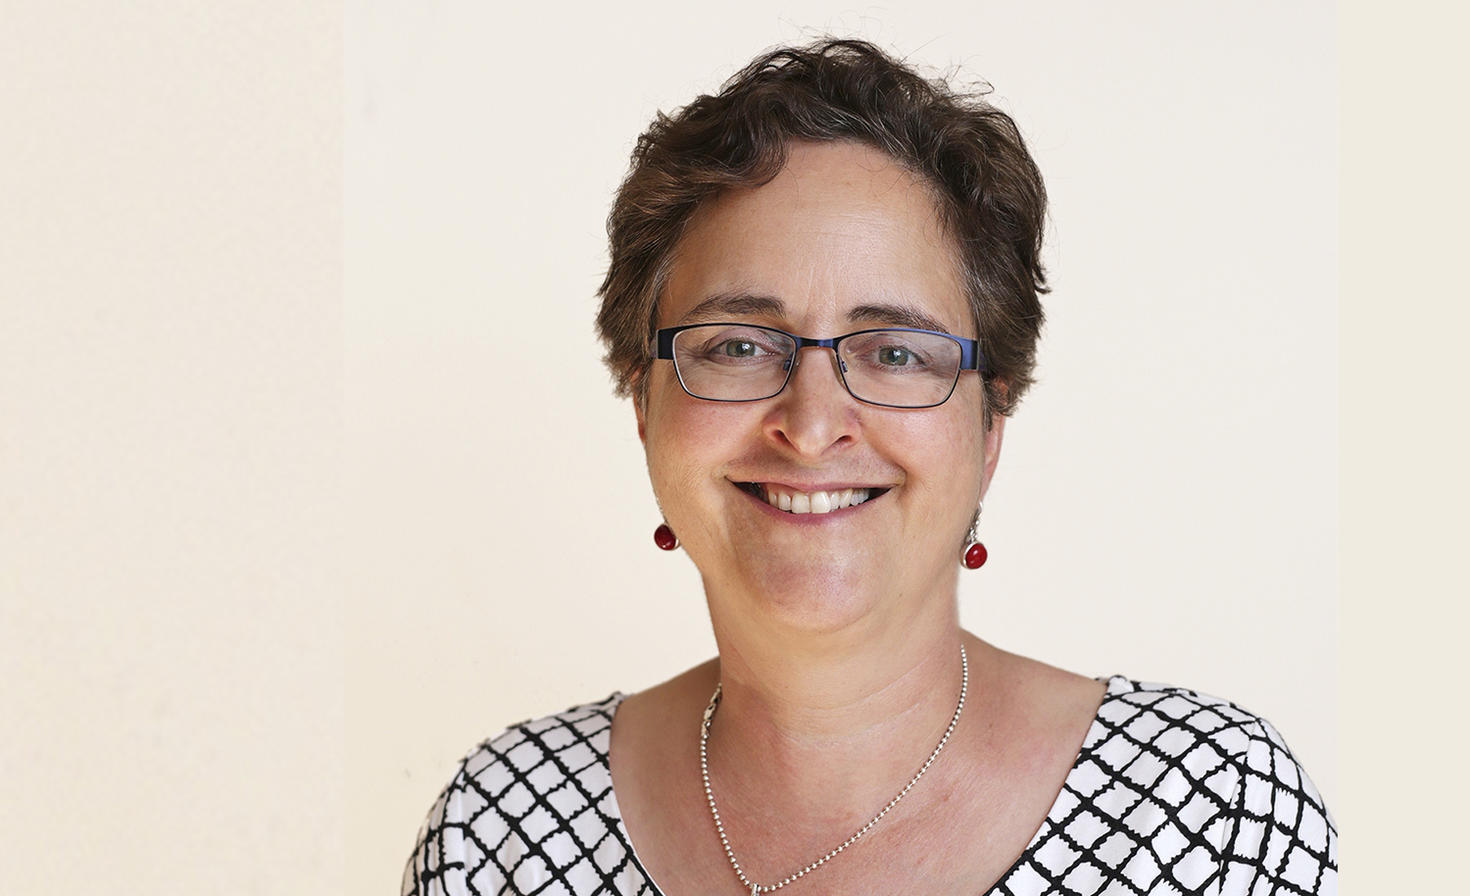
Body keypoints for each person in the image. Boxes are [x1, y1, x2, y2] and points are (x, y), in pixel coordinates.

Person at [401, 39, 1337, 895]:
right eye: (736, 346)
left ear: (990, 426)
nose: (811, 426)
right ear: (643, 406)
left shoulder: (1210, 822)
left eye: (894, 353)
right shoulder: (500, 834)